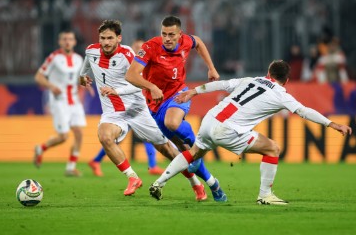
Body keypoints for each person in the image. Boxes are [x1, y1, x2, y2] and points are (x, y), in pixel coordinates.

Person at [149, 60, 352, 205]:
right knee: (273, 148)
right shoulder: (281, 94)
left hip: (210, 120)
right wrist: (331, 124)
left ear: (268, 73)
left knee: (193, 153)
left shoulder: (250, 80)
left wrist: (194, 91)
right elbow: (303, 111)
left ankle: (159, 182)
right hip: (229, 130)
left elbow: (221, 84)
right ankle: (265, 195)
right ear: (287, 81)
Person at [79, 19, 206, 198]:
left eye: (110, 38)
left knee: (167, 150)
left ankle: (195, 183)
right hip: (113, 112)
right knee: (104, 136)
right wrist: (82, 77)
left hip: (138, 109)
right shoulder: (91, 51)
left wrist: (117, 91)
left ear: (119, 38)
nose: (106, 42)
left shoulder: (128, 54)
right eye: (102, 38)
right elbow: (85, 67)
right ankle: (132, 177)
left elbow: (141, 84)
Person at [125, 15, 227, 202]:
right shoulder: (149, 47)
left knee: (172, 123)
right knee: (185, 155)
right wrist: (152, 87)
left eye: (172, 34)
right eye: (164, 34)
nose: (167, 38)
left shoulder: (186, 41)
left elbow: (199, 42)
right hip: (155, 105)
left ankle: (199, 144)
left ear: (180, 34)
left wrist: (211, 68)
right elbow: (130, 75)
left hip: (179, 94)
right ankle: (214, 185)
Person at [88, 39, 164, 177]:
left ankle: (96, 160)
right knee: (144, 135)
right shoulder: (126, 64)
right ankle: (152, 165)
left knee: (119, 139)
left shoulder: (145, 66)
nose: (138, 51)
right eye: (136, 47)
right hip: (126, 106)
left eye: (141, 48)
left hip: (137, 104)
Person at [34, 30, 92, 177]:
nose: (67, 41)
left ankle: (71, 167)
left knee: (79, 133)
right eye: (64, 39)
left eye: (70, 39)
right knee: (63, 136)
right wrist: (51, 86)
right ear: (60, 42)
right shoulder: (54, 58)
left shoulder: (79, 59)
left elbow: (79, 78)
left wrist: (85, 84)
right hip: (59, 102)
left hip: (74, 100)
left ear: (74, 42)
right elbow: (39, 76)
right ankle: (41, 149)